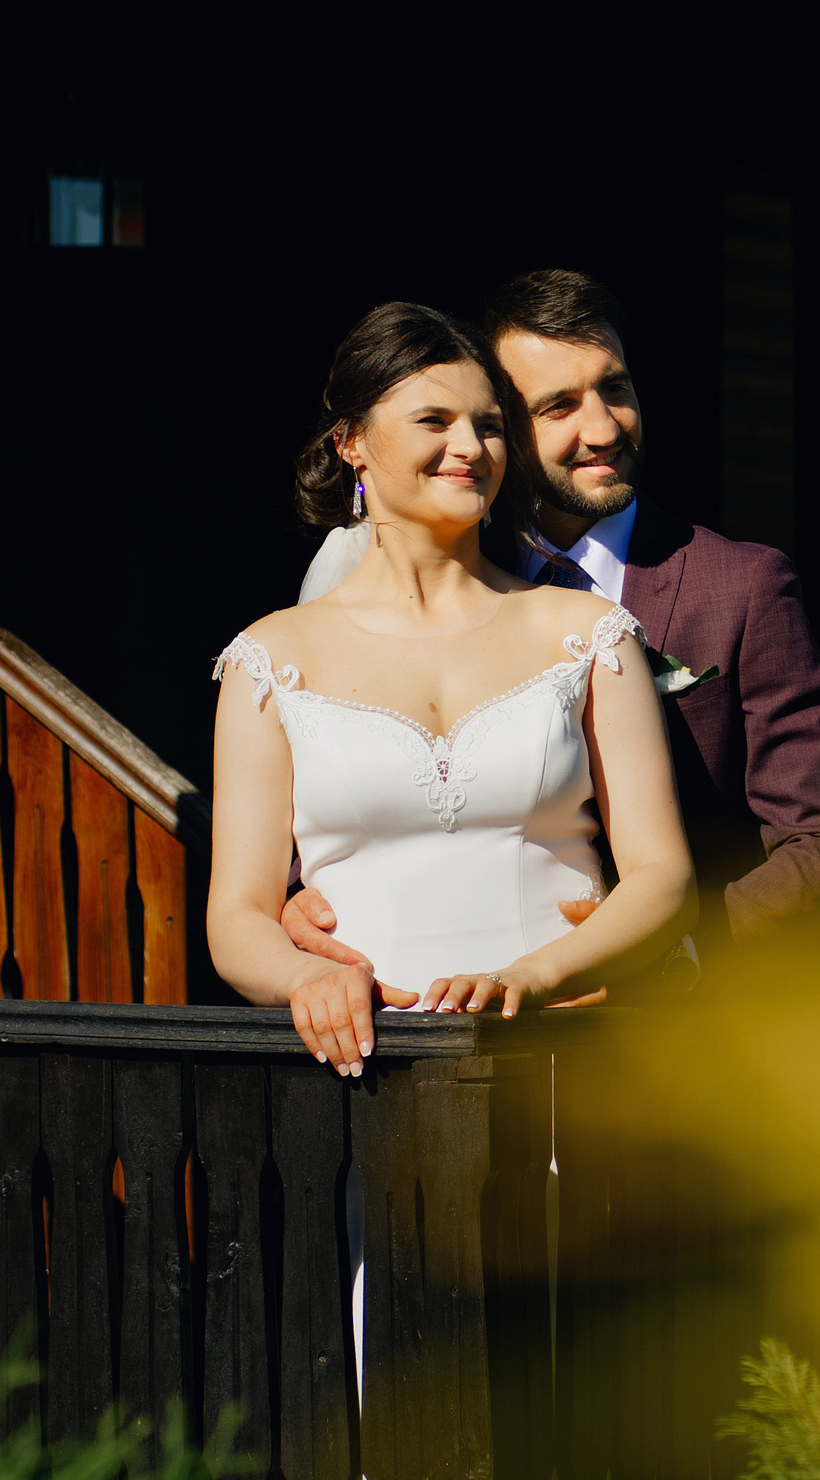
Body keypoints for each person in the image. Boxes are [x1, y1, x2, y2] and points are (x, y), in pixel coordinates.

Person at [285, 270, 820, 980]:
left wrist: (674, 950)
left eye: (614, 388)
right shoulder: (434, 578)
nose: (604, 428)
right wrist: (298, 901)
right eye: (559, 405)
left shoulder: (743, 586)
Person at [205, 302, 697, 1074]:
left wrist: (535, 976)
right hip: (364, 1066)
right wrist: (308, 977)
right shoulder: (268, 660)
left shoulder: (588, 633)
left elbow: (664, 875)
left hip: (559, 1050)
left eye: (490, 425)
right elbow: (237, 916)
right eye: (434, 420)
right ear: (353, 445)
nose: (469, 447)